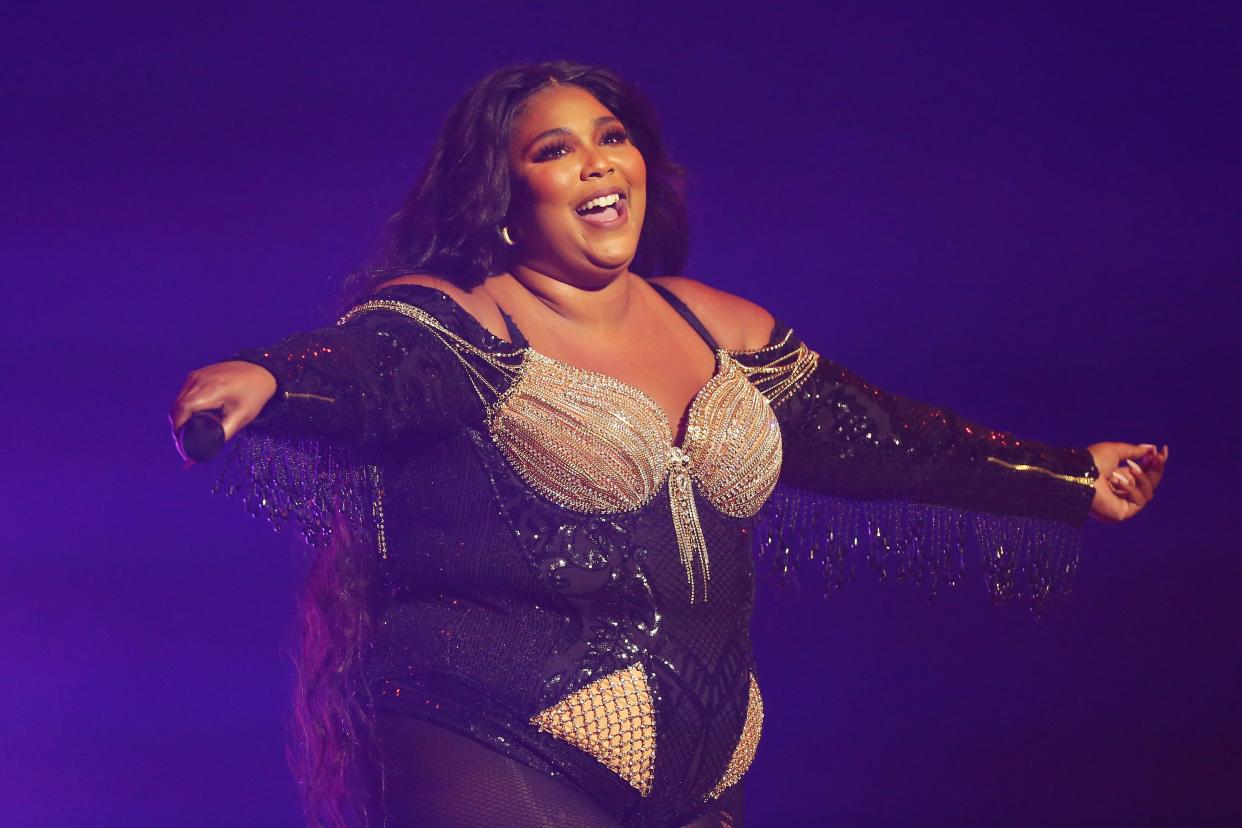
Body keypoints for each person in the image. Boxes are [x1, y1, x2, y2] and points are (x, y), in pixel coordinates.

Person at [169, 61, 1168, 828]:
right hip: (490, 733)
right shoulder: (465, 319)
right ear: (502, 197)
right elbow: (370, 366)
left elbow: (891, 440)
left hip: (707, 765)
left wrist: (1070, 477)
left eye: (611, 138)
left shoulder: (715, 325)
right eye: (554, 150)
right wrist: (268, 378)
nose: (597, 162)